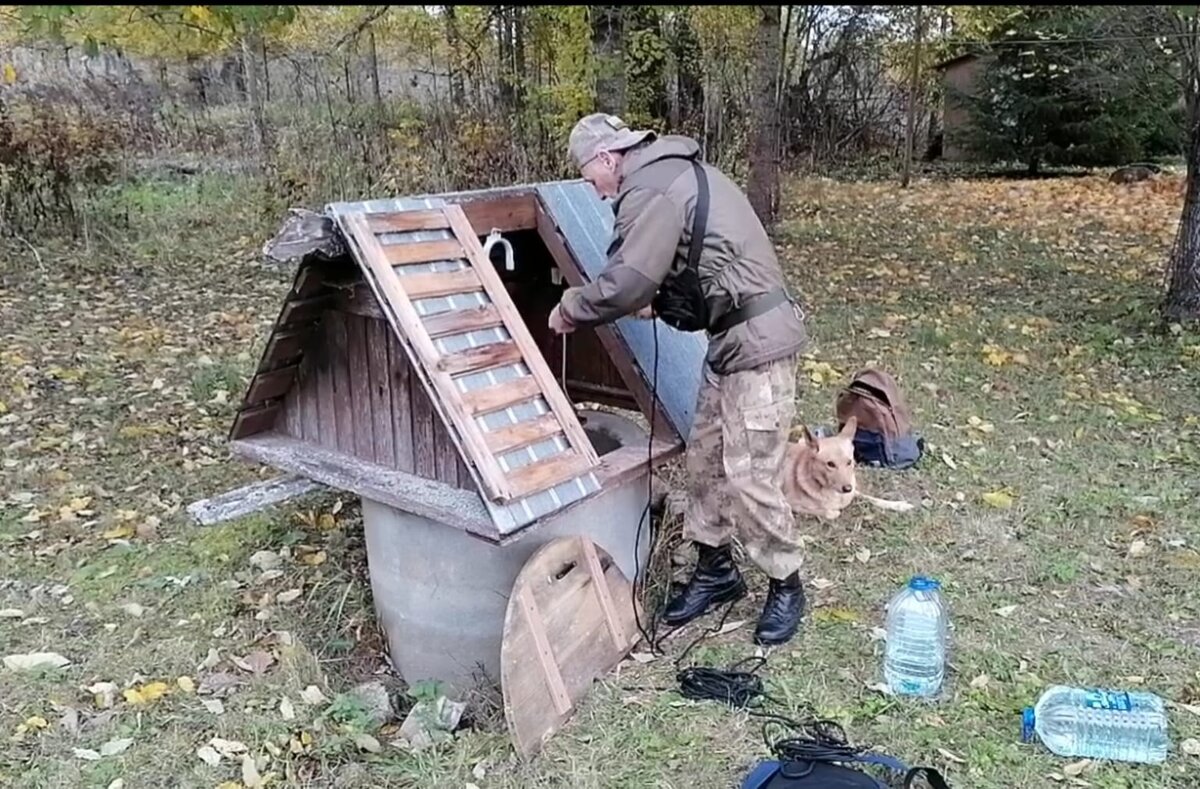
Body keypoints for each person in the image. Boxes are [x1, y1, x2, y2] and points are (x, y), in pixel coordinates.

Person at [548, 113, 811, 646]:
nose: (593, 192)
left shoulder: (651, 187)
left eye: (587, 176)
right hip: (729, 341)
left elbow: (625, 283)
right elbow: (683, 266)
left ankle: (787, 584)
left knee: (750, 469)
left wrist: (571, 308)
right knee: (706, 459)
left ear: (606, 158)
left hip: (757, 345)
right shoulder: (666, 177)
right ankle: (715, 570)